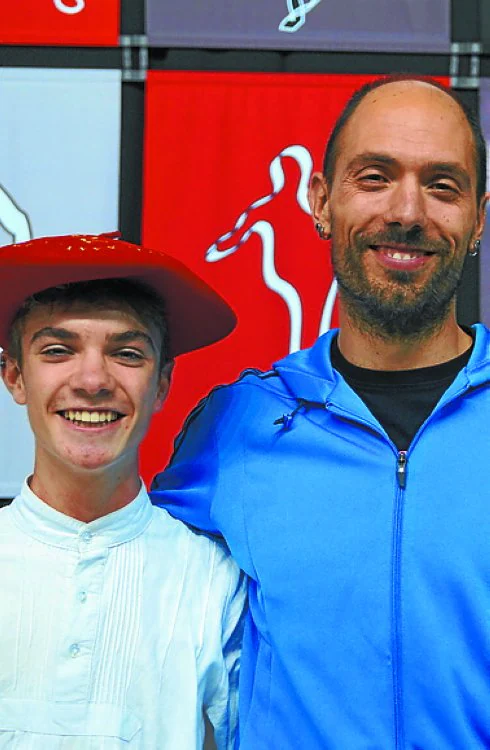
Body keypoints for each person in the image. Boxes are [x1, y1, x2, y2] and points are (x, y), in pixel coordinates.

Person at [151, 75, 490, 748]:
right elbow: (124, 579)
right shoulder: (236, 426)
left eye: (443, 186)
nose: (407, 211)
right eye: (374, 177)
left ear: (478, 220)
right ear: (319, 200)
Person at [0, 232, 246, 749]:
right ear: (15, 376)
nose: (92, 380)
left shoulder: (212, 580)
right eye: (58, 350)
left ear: (161, 385)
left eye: (127, 354)